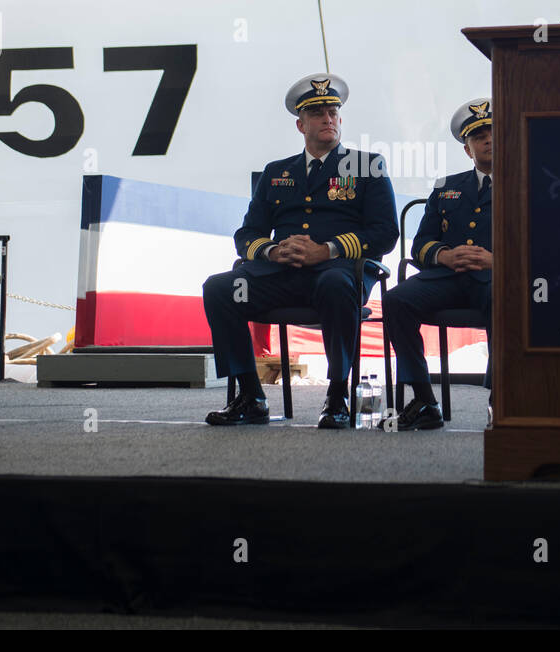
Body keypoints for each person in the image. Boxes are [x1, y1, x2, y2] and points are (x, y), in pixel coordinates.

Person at [203, 73, 397, 429]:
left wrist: (327, 250)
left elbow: (385, 233)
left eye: (334, 112)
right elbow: (247, 234)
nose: (329, 118)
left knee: (335, 286)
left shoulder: (367, 165)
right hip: (283, 273)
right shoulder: (277, 173)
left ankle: (337, 395)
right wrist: (274, 251)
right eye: (319, 112)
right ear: (300, 124)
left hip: (339, 271)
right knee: (219, 288)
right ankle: (250, 396)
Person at [382, 99, 493, 430]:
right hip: (447, 276)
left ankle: (501, 400)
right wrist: (444, 255)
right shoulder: (446, 187)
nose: (488, 139)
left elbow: (540, 243)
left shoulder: (526, 180)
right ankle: (423, 400)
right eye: (479, 135)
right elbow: (420, 245)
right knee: (396, 300)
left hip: (495, 279)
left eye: (494, 132)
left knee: (508, 301)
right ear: (468, 150)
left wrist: (497, 260)